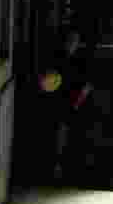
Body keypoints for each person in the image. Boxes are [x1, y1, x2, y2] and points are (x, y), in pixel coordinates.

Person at [39, 28, 95, 181]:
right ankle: (57, 167)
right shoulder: (58, 60)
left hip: (71, 104)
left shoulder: (77, 62)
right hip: (61, 104)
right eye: (69, 41)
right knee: (59, 136)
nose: (71, 44)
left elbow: (86, 86)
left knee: (66, 137)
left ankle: (62, 166)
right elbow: (47, 83)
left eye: (74, 41)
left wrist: (77, 102)